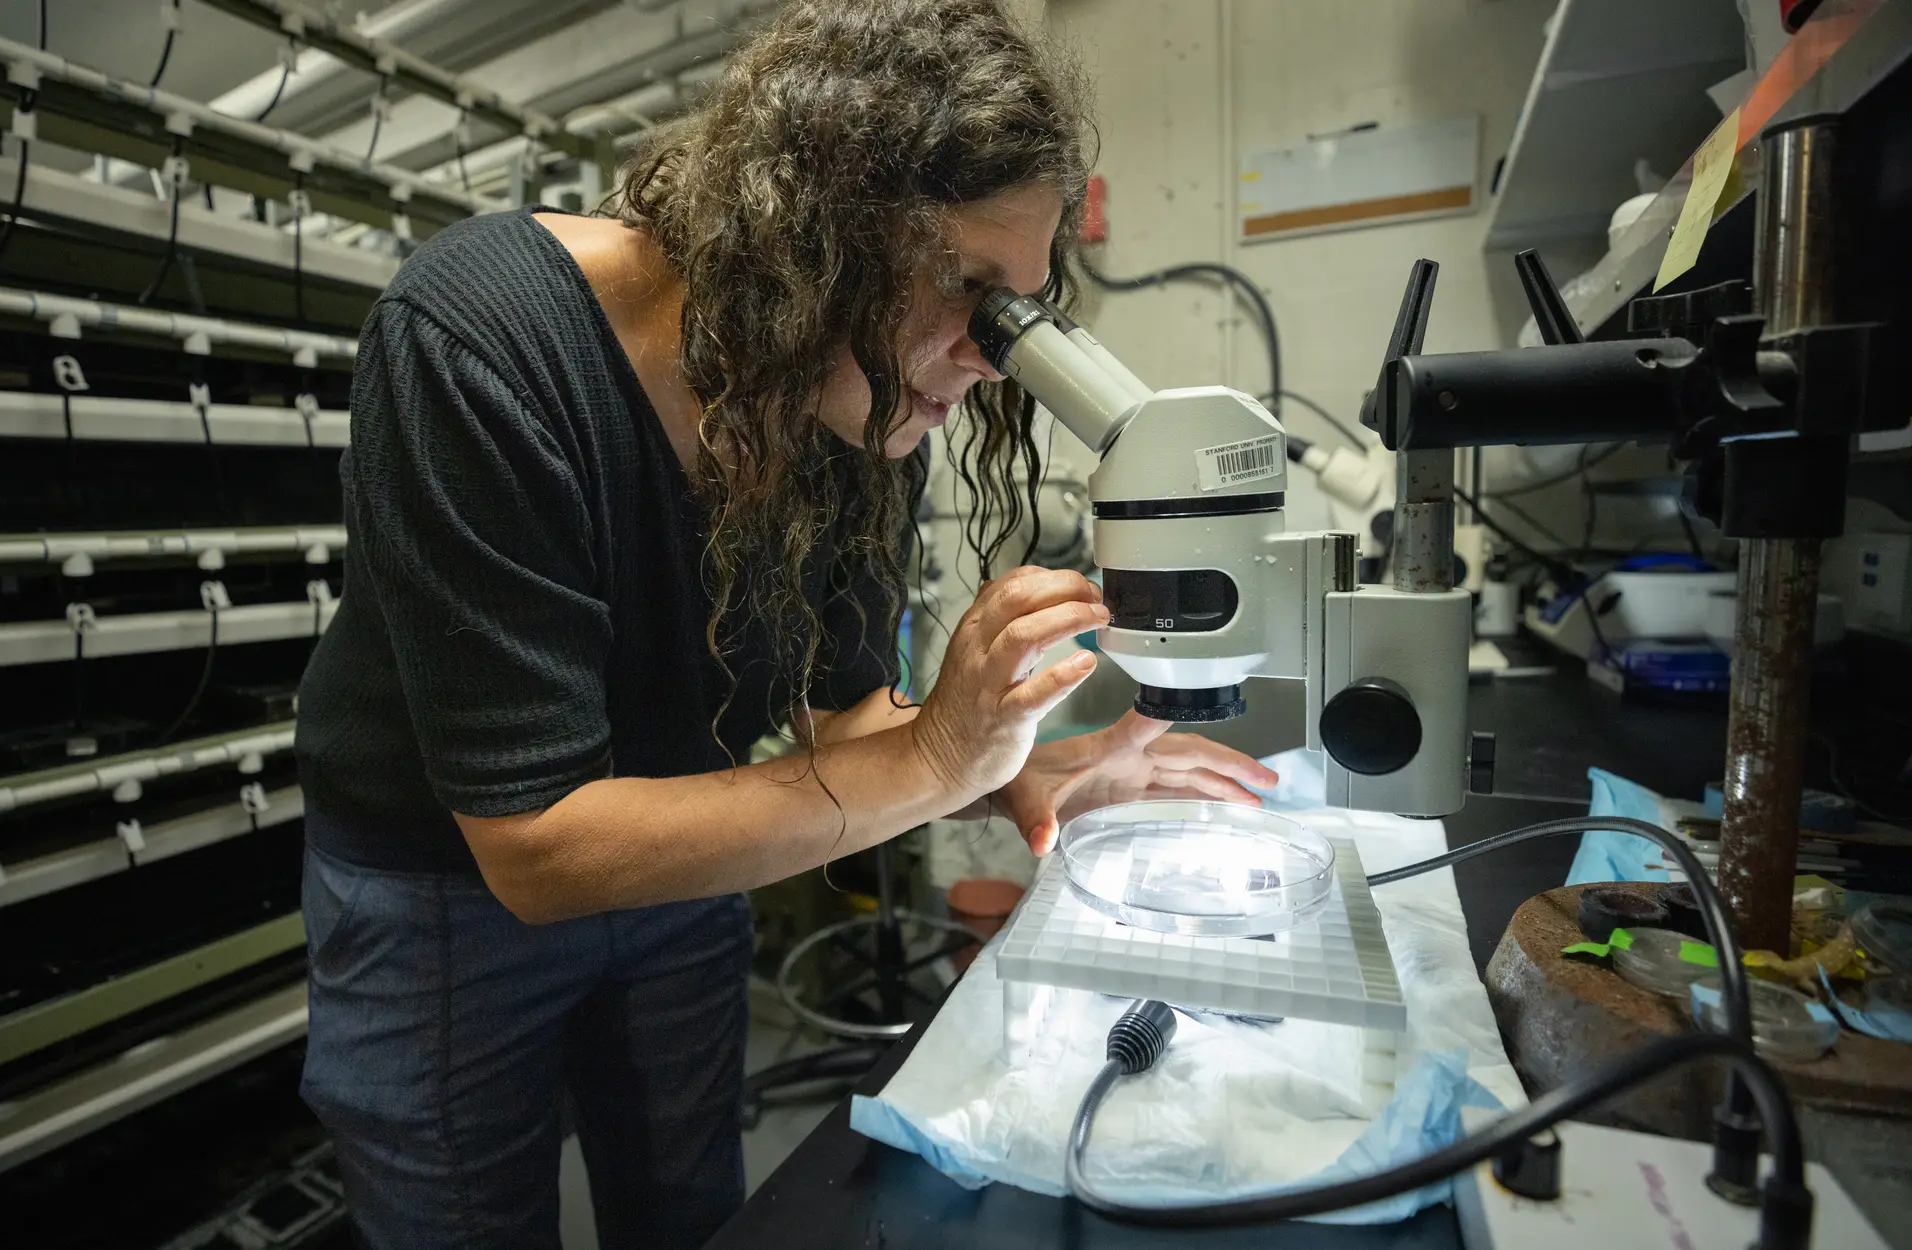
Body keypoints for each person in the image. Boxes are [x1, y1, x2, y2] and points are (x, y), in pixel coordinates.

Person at [292, 1, 1276, 1246]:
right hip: (443, 891)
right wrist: (934, 759)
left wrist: (1015, 768)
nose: (991, 360)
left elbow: (847, 715)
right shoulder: (480, 342)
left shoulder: (853, 395)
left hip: (691, 846)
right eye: (968, 291)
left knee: (699, 1215)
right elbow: (538, 846)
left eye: (1017, 311)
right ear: (808, 237)